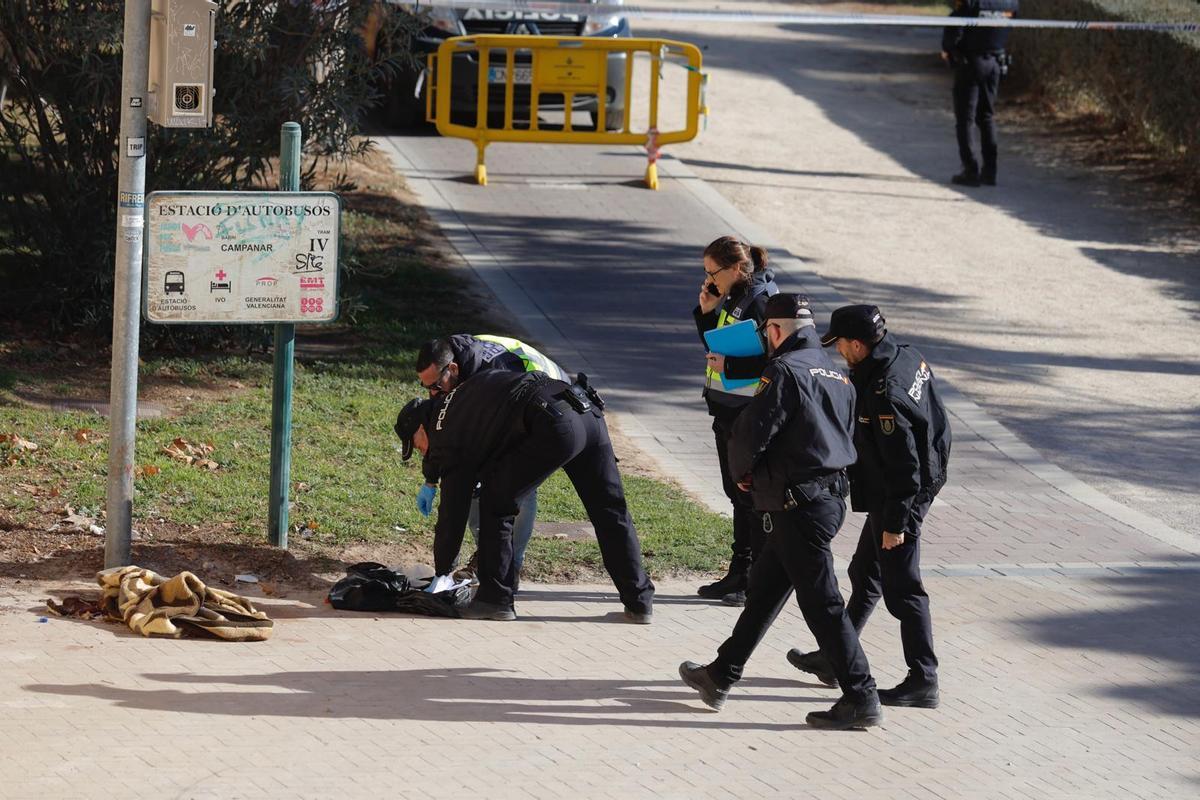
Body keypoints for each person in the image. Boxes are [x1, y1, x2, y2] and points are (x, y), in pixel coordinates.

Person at [678, 294, 883, 731]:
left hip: (798, 505)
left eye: (765, 334)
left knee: (823, 603)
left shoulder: (785, 371)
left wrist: (742, 475)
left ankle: (861, 694)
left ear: (773, 332)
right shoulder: (837, 373)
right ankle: (721, 673)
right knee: (765, 588)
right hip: (826, 499)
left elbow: (753, 433)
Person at [394, 368, 655, 622]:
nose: (420, 452)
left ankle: (495, 600)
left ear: (421, 429)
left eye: (416, 445)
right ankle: (639, 601)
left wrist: (442, 573)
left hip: (553, 422)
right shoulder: (457, 405)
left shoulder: (445, 432)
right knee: (611, 510)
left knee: (496, 503)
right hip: (586, 411)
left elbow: (453, 511)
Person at [788, 305, 950, 710]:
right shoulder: (906, 354)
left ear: (858, 344)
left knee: (904, 590)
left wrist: (897, 523)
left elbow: (905, 468)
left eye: (841, 344)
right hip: (902, 488)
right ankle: (835, 657)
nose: (839, 351)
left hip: (902, 496)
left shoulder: (885, 396)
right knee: (866, 571)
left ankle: (923, 679)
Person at [413, 334, 567, 577]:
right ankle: (486, 555)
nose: (433, 394)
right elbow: (442, 435)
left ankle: (510, 565)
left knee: (516, 484)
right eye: (426, 388)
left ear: (452, 369)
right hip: (512, 403)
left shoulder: (495, 372)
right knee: (475, 477)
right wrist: (431, 478)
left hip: (551, 406)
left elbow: (507, 429)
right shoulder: (454, 373)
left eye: (435, 386)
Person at [692, 236, 779, 606]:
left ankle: (756, 580)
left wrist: (732, 367)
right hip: (726, 410)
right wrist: (707, 312)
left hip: (747, 415)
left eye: (713, 272)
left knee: (750, 499)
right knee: (736, 495)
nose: (709, 279)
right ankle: (738, 572)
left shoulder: (761, 302)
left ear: (736, 268)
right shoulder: (736, 296)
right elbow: (717, 350)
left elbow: (776, 363)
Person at [941, 0, 1019, 187]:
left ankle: (970, 170)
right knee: (987, 117)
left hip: (971, 63)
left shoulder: (972, 2)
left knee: (965, 119)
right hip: (995, 64)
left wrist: (949, 50)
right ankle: (990, 172)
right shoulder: (1011, 3)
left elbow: (954, 30)